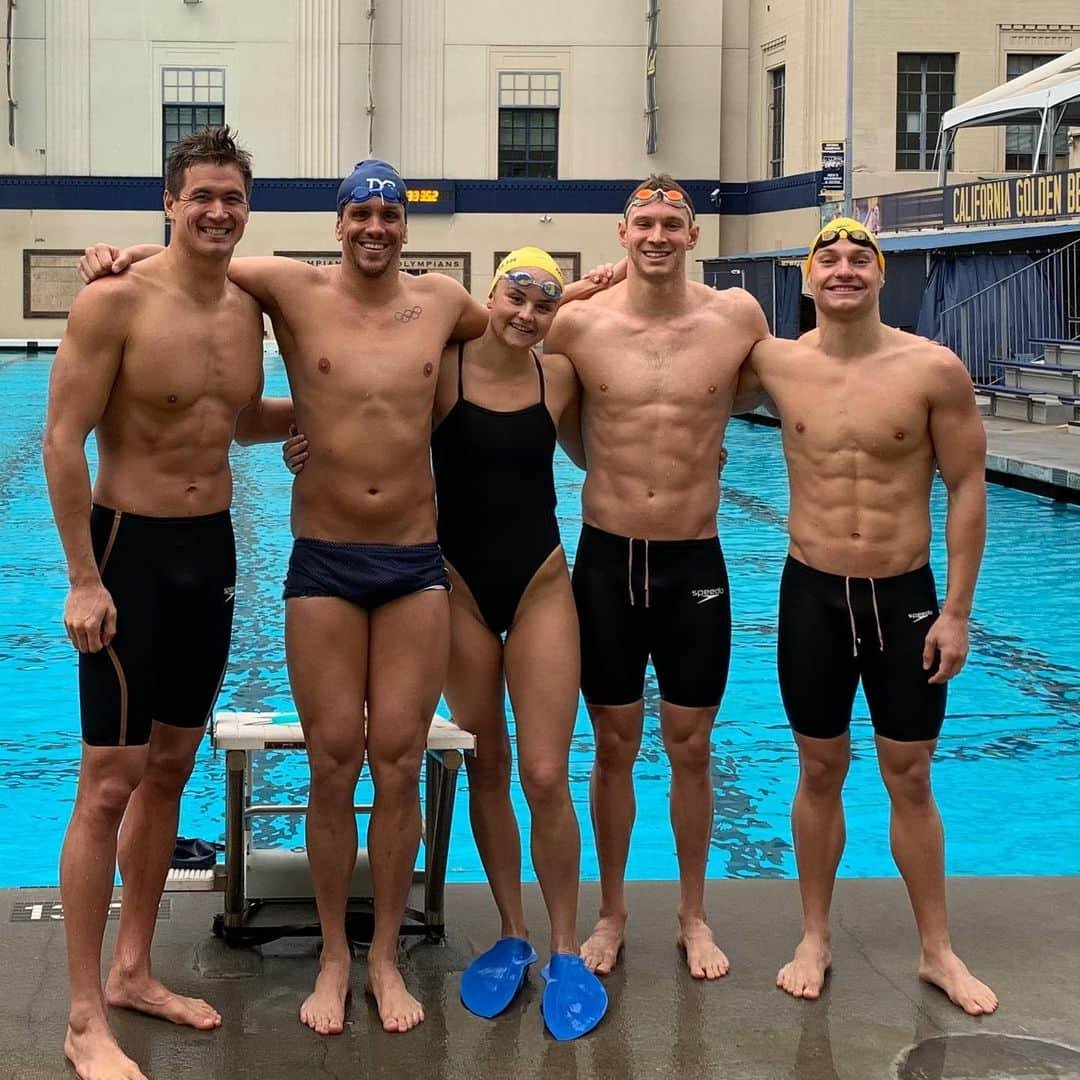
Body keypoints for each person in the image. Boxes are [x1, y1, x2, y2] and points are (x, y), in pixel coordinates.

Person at [81, 160, 531, 1036]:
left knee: (397, 763)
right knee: (332, 761)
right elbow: (191, 259)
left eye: (388, 214)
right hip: (324, 560)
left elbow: (522, 320)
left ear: (407, 225)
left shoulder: (446, 302)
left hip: (413, 562)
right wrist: (118, 255)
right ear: (337, 223)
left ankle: (384, 956)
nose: (374, 226)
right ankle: (332, 954)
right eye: (359, 212)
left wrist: (605, 281)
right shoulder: (287, 284)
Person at [285, 246, 612, 1038]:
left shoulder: (558, 376)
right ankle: (512, 931)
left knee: (544, 771)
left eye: (543, 303)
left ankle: (566, 944)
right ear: (489, 295)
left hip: (540, 581)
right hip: (454, 585)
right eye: (515, 296)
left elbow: (600, 447)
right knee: (490, 765)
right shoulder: (446, 370)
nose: (526, 314)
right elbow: (371, 416)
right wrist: (305, 440)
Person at [46, 126, 294, 1080]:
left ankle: (134, 970)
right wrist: (81, 575)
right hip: (127, 551)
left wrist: (322, 420)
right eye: (203, 196)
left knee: (170, 768)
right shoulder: (112, 301)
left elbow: (231, 420)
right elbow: (63, 439)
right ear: (169, 203)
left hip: (211, 549)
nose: (219, 212)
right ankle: (79, 1017)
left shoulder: (246, 312)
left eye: (233, 196)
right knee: (107, 779)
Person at [742, 218, 997, 1015]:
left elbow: (966, 488)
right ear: (807, 277)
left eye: (861, 258)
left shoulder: (932, 369)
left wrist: (956, 613)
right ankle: (813, 936)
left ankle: (937, 951)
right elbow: (672, 356)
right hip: (812, 593)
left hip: (904, 599)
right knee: (819, 770)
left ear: (882, 275)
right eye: (830, 258)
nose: (845, 268)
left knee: (910, 776)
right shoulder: (775, 364)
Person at [543, 175, 770, 980]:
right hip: (607, 557)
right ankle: (610, 911)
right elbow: (516, 388)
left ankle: (694, 914)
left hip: (694, 561)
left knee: (692, 745)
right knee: (611, 744)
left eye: (674, 222)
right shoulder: (579, 325)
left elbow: (769, 395)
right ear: (622, 232)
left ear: (695, 235)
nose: (659, 235)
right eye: (645, 221)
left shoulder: (737, 317)